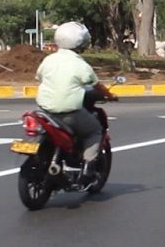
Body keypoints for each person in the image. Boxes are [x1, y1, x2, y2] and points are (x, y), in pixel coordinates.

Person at [34, 21, 114, 187]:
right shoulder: (80, 65)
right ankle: (88, 169)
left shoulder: (48, 60)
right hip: (69, 112)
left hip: (45, 112)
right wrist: (109, 95)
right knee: (94, 131)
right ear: (80, 43)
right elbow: (96, 86)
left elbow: (40, 77)